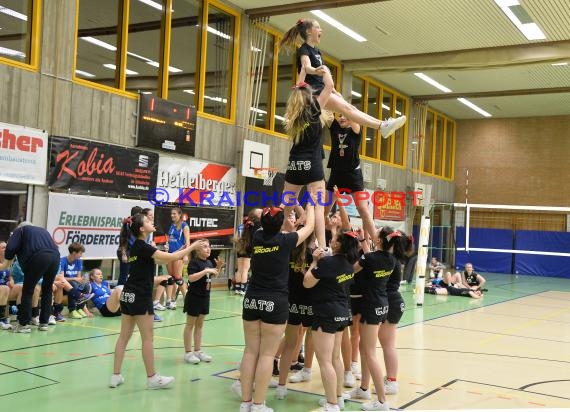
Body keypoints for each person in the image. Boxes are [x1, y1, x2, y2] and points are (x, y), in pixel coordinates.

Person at [110, 213, 207, 389]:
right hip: (140, 297)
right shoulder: (142, 247)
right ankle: (152, 378)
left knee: (124, 337)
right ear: (141, 229)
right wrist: (191, 246)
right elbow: (170, 258)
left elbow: (160, 260)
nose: (151, 221)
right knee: (148, 338)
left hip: (128, 295)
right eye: (147, 221)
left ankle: (115, 376)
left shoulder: (136, 247)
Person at [238, 204, 315, 412]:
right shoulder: (286, 240)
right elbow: (309, 227)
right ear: (281, 223)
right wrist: (312, 205)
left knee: (250, 352)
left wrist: (283, 206)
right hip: (275, 302)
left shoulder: (257, 236)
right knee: (266, 355)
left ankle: (245, 403)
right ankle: (258, 404)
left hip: (252, 300)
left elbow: (269, 221)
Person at [279, 18, 406, 138]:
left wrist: (333, 91)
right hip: (313, 93)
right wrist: (317, 71)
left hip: (321, 89)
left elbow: (319, 78)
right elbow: (306, 67)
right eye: (317, 27)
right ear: (308, 32)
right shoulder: (304, 49)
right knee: (347, 109)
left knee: (351, 108)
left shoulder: (317, 52)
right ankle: (382, 126)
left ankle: (382, 125)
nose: (321, 30)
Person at [303, 231, 360, 412]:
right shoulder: (349, 265)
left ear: (337, 245)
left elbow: (307, 282)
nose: (331, 240)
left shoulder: (326, 263)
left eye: (334, 239)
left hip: (326, 314)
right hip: (343, 313)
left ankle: (332, 405)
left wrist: (314, 261)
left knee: (325, 361)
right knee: (335, 358)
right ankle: (337, 397)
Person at [280, 65, 334, 251]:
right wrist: (324, 70)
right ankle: (321, 245)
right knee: (318, 206)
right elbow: (329, 86)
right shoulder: (314, 110)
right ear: (309, 97)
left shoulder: (292, 117)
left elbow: (299, 87)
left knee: (287, 203)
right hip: (312, 163)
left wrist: (303, 71)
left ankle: (279, 233)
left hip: (294, 164)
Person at [325, 113, 379, 245]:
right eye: (340, 115)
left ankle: (377, 243)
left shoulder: (355, 130)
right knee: (324, 210)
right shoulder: (335, 127)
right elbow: (326, 109)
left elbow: (351, 113)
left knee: (363, 210)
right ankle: (317, 241)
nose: (342, 118)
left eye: (345, 116)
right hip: (336, 174)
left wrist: (345, 107)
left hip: (353, 174)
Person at [0, 222, 60, 333]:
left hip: (38, 257)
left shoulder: (21, 231)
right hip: (55, 257)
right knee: (47, 290)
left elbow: (11, 247)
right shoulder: (43, 231)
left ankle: (24, 325)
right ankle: (44, 323)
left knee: (27, 290)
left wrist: (6, 262)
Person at [183, 238, 224, 364]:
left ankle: (198, 351)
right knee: (190, 325)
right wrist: (205, 271)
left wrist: (218, 267)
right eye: (205, 246)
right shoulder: (194, 263)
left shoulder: (209, 263)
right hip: (194, 297)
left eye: (209, 246)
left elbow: (214, 275)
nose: (208, 249)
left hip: (205, 297)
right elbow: (191, 278)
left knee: (200, 325)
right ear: (197, 250)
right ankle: (188, 353)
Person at [161, 207, 190, 310]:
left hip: (179, 254)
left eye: (174, 214)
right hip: (170, 254)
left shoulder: (184, 226)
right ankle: (170, 300)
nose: (172, 215)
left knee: (177, 277)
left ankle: (186, 298)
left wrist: (185, 255)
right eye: (171, 214)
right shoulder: (172, 226)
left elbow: (187, 242)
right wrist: (166, 247)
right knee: (171, 277)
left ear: (179, 215)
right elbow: (169, 239)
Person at [234, 209, 262, 296]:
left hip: (240, 248)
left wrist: (240, 242)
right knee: (245, 270)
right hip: (248, 248)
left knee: (240, 269)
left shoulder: (241, 226)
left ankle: (237, 289)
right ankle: (243, 289)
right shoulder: (254, 226)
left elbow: (235, 238)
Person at [117, 206, 143, 286]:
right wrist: (124, 254)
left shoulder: (137, 225)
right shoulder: (128, 225)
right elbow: (123, 241)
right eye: (141, 214)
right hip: (126, 253)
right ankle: (119, 292)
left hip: (133, 254)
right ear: (137, 214)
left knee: (133, 274)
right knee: (124, 275)